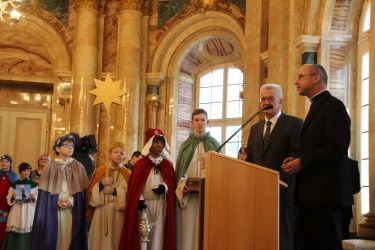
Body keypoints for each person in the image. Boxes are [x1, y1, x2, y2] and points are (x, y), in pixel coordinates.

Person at [282, 64, 353, 249]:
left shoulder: (333, 106)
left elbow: (337, 147)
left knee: (325, 244)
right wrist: (298, 159)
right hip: (311, 194)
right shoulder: (317, 106)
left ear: (316, 78)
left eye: (300, 76)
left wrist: (303, 162)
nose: (296, 82)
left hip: (325, 194)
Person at [245, 83, 303, 250]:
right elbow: (250, 159)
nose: (266, 102)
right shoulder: (255, 128)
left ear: (280, 101)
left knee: (282, 242)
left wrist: (276, 182)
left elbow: (296, 155)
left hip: (283, 195)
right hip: (257, 194)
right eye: (263, 99)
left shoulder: (294, 124)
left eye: (270, 98)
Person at [30, 134, 89, 250]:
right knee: (54, 237)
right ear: (57, 148)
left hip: (72, 208)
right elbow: (45, 192)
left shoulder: (78, 166)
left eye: (72, 145)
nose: (70, 147)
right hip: (54, 208)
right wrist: (55, 200)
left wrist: (71, 202)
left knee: (70, 236)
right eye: (66, 145)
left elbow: (82, 191)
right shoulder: (50, 166)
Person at [119, 128, 175, 250]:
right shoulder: (140, 164)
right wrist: (139, 200)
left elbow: (171, 184)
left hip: (161, 204)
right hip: (144, 206)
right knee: (142, 235)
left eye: (161, 142)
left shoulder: (168, 165)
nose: (159, 144)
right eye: (155, 142)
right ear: (149, 144)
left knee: (158, 235)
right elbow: (135, 187)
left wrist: (164, 187)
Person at [175, 108, 221, 250]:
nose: (200, 123)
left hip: (207, 198)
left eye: (202, 120)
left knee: (206, 230)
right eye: (197, 120)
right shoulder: (185, 146)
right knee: (188, 232)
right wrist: (183, 186)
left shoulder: (215, 145)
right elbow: (180, 171)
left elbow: (221, 172)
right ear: (192, 123)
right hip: (188, 199)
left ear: (208, 122)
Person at [86, 142, 131, 250]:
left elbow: (129, 194)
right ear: (109, 155)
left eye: (121, 153)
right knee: (101, 240)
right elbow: (91, 192)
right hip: (102, 209)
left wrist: (114, 191)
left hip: (118, 212)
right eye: (116, 152)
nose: (118, 155)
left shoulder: (127, 173)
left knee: (116, 239)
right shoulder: (100, 171)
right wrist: (101, 184)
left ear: (124, 158)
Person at [2, 162, 38, 250]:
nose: (26, 173)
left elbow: (38, 197)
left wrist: (34, 197)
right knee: (15, 226)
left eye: (28, 171)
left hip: (28, 210)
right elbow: (8, 198)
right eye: (24, 171)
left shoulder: (34, 185)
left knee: (27, 227)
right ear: (20, 172)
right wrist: (12, 197)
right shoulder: (14, 185)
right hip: (17, 209)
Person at [0, 155, 18, 247]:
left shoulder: (13, 176)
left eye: (6, 161)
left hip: (5, 208)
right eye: (2, 161)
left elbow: (15, 193)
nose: (4, 163)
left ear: (10, 163)